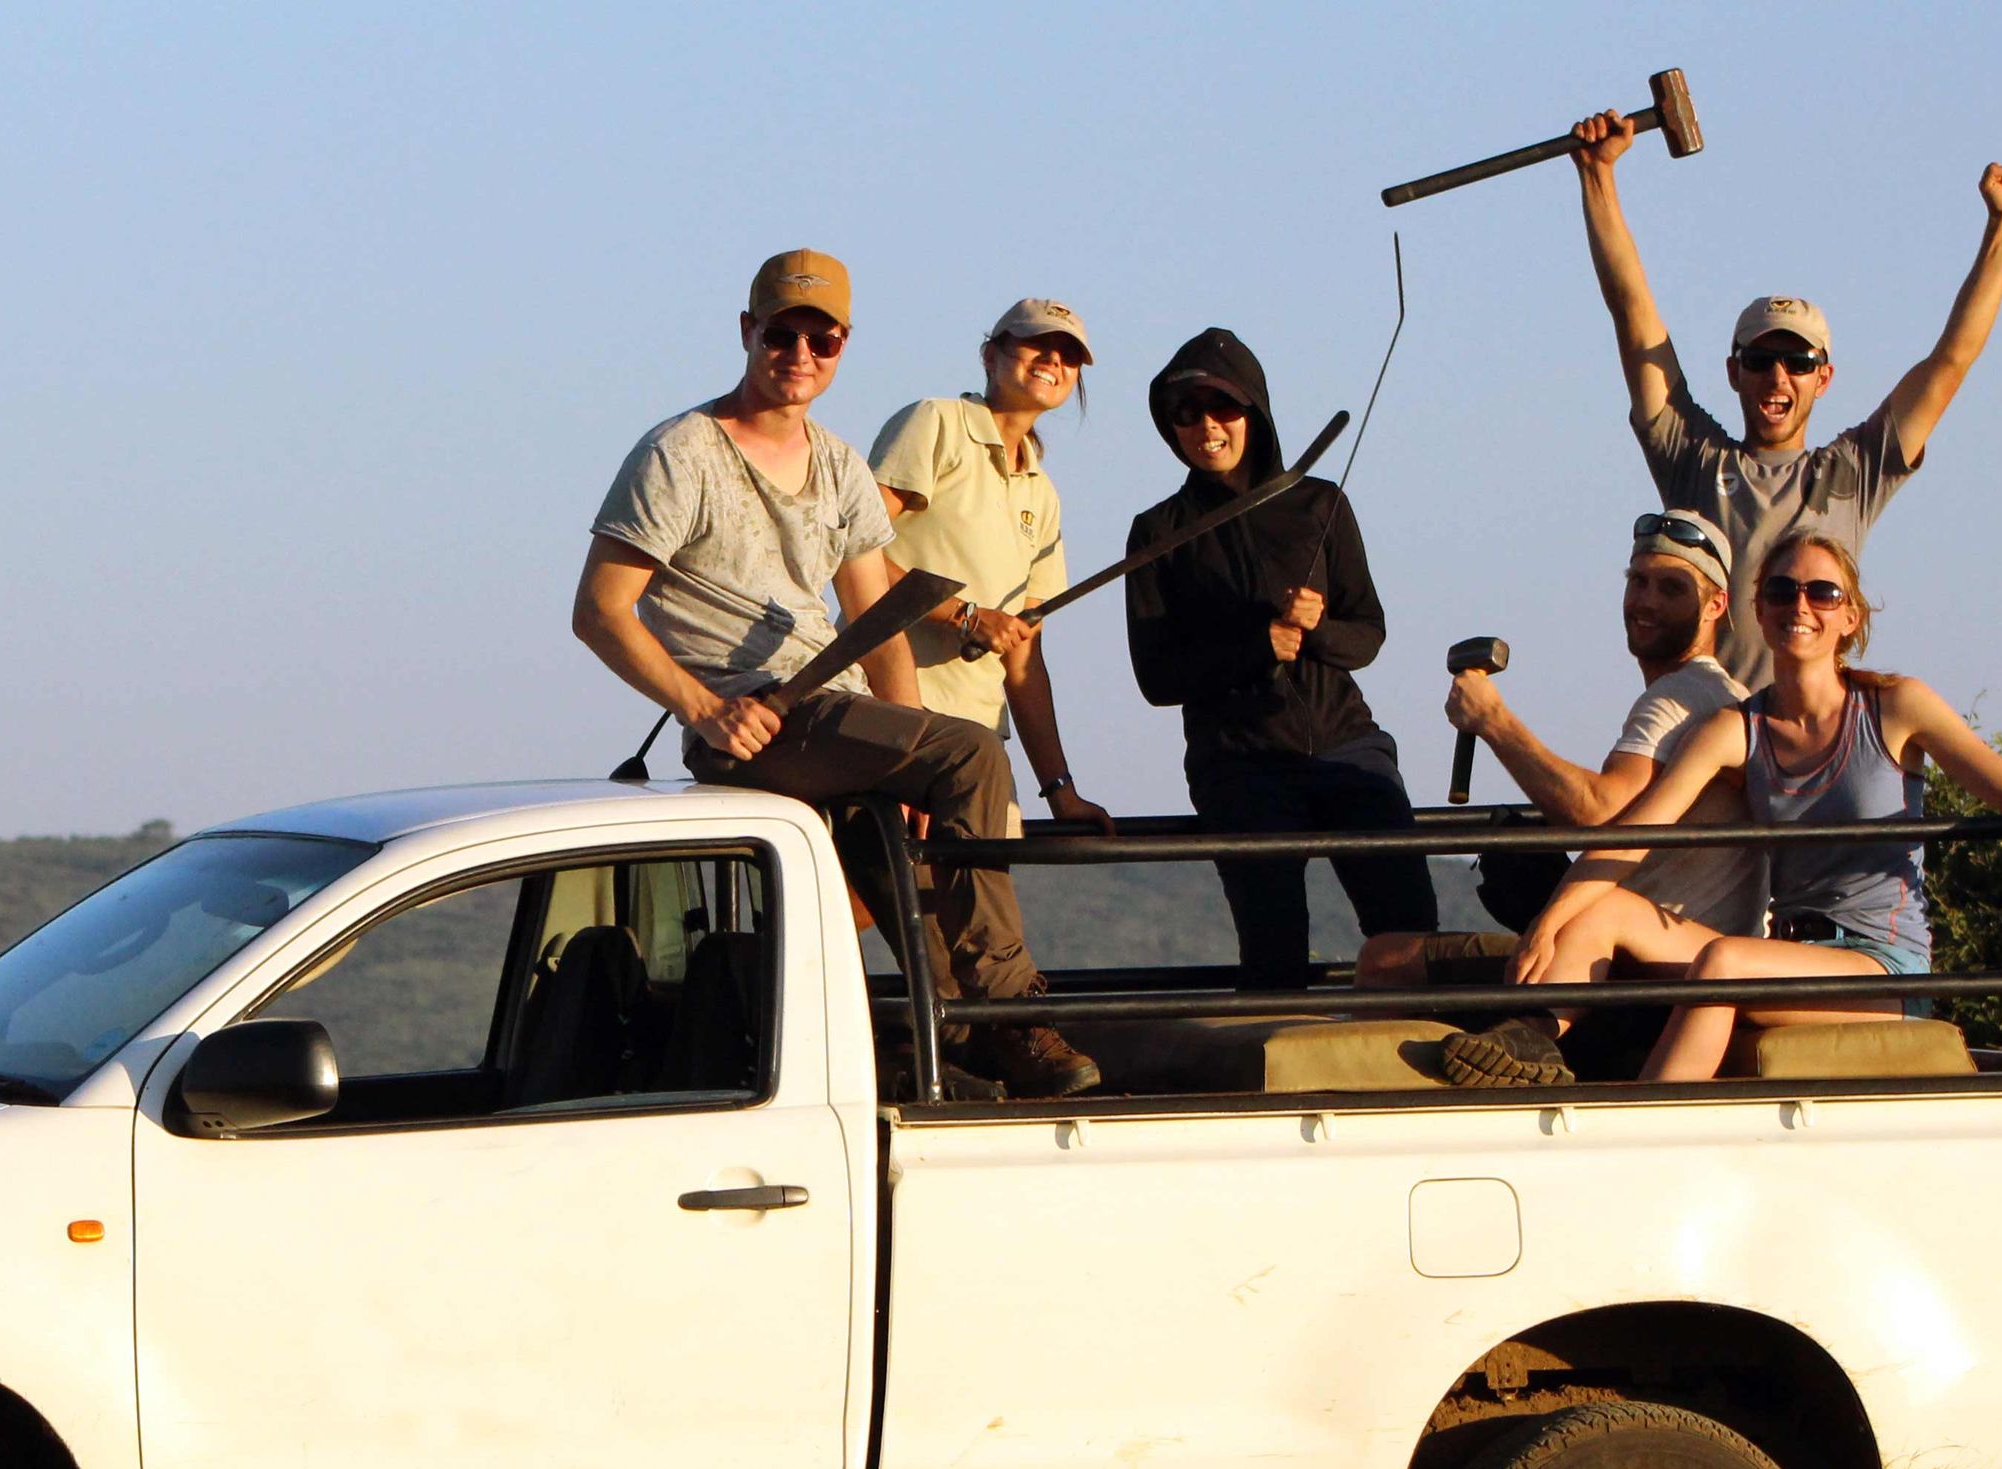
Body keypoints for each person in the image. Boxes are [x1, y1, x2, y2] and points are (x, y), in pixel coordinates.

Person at [569, 249, 1100, 1098]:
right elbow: (599, 609)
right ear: (749, 333)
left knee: (906, 860)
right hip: (752, 720)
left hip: (829, 713)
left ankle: (969, 1041)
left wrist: (910, 756)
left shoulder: (843, 462)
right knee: (973, 756)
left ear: (844, 346)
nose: (802, 355)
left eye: (824, 340)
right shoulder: (682, 451)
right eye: (784, 334)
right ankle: (1014, 1009)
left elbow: (873, 619)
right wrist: (705, 710)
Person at [1452, 530, 2002, 1086]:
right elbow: (1635, 833)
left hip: (1877, 971)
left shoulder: (1894, 706)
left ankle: (1639, 1127)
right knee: (1606, 908)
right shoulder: (1738, 728)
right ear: (1758, 612)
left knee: (1725, 963)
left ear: (1850, 618)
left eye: (1823, 593)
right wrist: (1551, 922)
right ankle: (1524, 1044)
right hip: (1784, 954)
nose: (1801, 605)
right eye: (1783, 591)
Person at [1573, 108, 2002, 684]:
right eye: (1761, 360)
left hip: (1809, 745)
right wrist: (1598, 177)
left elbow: (1952, 360)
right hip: (1706, 738)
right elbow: (1634, 318)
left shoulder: (1855, 471)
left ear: (1824, 378)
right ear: (1734, 372)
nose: (1778, 376)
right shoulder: (1694, 460)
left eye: (1798, 362)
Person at [1355, 508, 1763, 1022]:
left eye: (1671, 589)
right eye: (1637, 581)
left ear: (1716, 606)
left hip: (1631, 967)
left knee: (1382, 962)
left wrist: (1495, 721)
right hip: (1649, 955)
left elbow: (1599, 813)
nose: (1646, 601)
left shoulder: (1682, 696)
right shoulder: (1715, 694)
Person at [1126, 329, 1436, 991]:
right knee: (1273, 953)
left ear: (1254, 412)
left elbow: (1369, 634)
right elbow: (1157, 676)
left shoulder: (1321, 503)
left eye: (1222, 406)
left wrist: (1318, 631)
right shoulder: (1157, 531)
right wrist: (1256, 647)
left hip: (1349, 747)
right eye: (1186, 411)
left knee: (1411, 933)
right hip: (1237, 764)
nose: (1206, 425)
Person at [866, 298, 1112, 836]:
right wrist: (964, 616)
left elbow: (1024, 656)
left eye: (1069, 355)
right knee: (857, 905)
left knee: (974, 912)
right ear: (990, 355)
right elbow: (851, 551)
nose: (1052, 358)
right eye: (1036, 342)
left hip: (979, 746)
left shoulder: (1041, 494)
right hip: (887, 723)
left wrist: (1061, 793)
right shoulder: (937, 422)